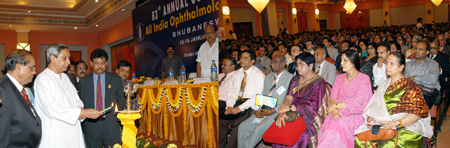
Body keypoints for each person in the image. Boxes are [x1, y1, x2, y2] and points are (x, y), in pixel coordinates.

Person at [354, 52, 433, 147]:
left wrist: (395, 123)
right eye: (386, 62)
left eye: (392, 63)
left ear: (401, 67)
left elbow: (418, 113)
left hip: (406, 126)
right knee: (360, 141)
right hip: (383, 124)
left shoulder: (410, 86)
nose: (387, 66)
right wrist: (371, 118)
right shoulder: (384, 84)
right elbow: (373, 107)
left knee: (387, 145)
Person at [34, 44, 103, 147]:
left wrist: (83, 111)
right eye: (64, 58)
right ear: (52, 58)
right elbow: (52, 109)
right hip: (56, 134)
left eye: (68, 58)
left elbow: (76, 100)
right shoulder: (43, 79)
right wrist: (81, 112)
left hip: (73, 131)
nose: (69, 62)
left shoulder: (65, 77)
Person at [317, 50, 373, 148]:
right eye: (341, 60)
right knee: (331, 126)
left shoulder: (363, 79)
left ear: (353, 62)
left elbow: (359, 102)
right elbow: (333, 98)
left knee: (335, 126)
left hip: (355, 115)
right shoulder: (339, 78)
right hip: (336, 114)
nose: (341, 63)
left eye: (345, 60)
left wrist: (336, 106)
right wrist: (335, 112)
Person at [273, 53, 328, 147]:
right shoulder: (295, 79)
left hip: (308, 117)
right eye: (297, 65)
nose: (298, 67)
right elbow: (288, 98)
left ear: (310, 66)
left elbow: (315, 107)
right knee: (279, 129)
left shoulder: (319, 82)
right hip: (291, 112)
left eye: (301, 64)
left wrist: (291, 107)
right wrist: (282, 111)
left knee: (300, 136)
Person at [238, 55, 294, 148]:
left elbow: (288, 100)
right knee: (243, 127)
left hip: (276, 112)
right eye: (271, 62)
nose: (272, 64)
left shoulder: (290, 78)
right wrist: (256, 109)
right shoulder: (268, 77)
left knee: (258, 129)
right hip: (263, 110)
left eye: (275, 62)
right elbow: (262, 94)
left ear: (283, 63)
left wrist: (272, 111)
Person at [79, 48, 126, 147]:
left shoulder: (115, 79)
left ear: (106, 63)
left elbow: (121, 102)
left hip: (111, 125)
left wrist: (120, 122)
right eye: (96, 63)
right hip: (91, 126)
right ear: (91, 63)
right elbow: (80, 104)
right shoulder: (84, 82)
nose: (100, 66)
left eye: (102, 63)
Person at [220, 50, 265, 148]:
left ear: (252, 61)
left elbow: (257, 96)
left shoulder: (259, 74)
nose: (242, 60)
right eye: (241, 58)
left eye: (245, 58)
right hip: (236, 102)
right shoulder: (237, 73)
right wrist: (229, 106)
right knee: (220, 121)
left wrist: (239, 108)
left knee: (237, 125)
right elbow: (231, 92)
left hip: (249, 105)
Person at [0, 49, 41, 147]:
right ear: (18, 67)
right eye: (32, 68)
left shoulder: (18, 89)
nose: (34, 72)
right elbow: (2, 133)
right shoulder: (3, 90)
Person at [405, 42, 440, 109]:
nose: (417, 51)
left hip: (426, 93)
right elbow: (406, 80)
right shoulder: (409, 64)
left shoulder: (433, 64)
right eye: (416, 48)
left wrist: (414, 78)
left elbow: (432, 80)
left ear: (427, 52)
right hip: (410, 92)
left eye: (420, 49)